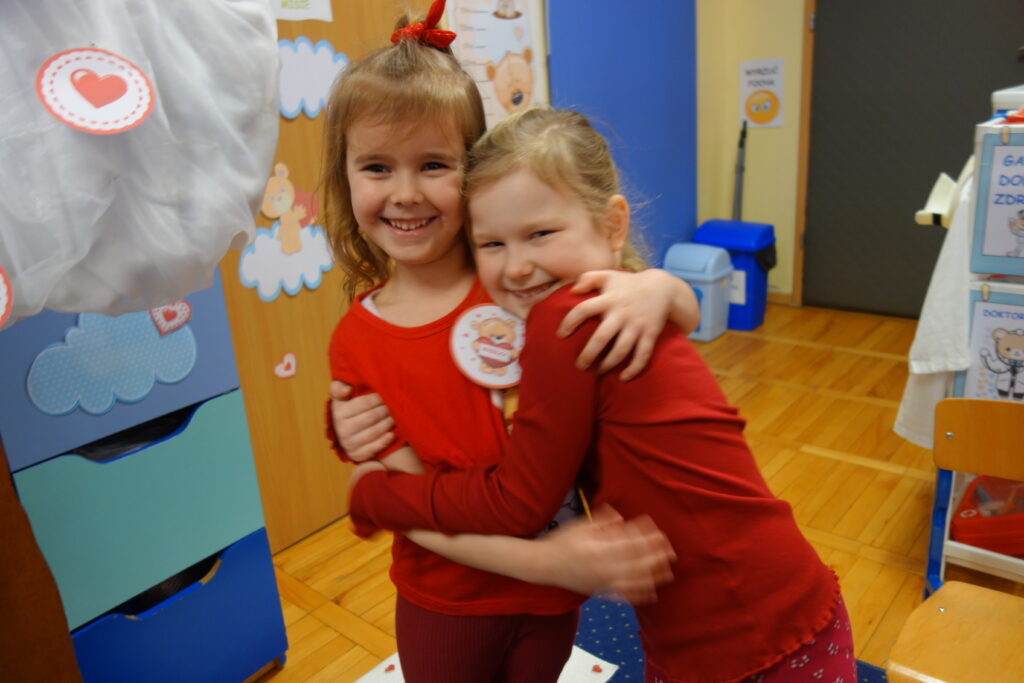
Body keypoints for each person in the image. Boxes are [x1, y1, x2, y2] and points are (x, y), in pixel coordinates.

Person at [345, 108, 857, 683]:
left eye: (541, 234)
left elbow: (517, 504)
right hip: (772, 606)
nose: (518, 267)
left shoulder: (564, 320)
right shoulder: (612, 299)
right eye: (490, 243)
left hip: (742, 634)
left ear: (613, 226)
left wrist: (379, 497)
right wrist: (665, 286)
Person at [322, 4, 697, 681]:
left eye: (433, 164)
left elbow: (669, 311)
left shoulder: (520, 281)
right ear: (343, 177)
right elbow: (412, 502)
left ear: (473, 173)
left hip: (554, 599)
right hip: (447, 600)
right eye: (376, 167)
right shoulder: (357, 340)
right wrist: (547, 561)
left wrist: (660, 288)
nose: (405, 193)